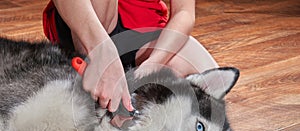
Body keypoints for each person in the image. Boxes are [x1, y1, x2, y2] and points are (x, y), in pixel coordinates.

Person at [43, 0, 218, 114]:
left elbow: (184, 13)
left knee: (210, 81)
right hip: (88, 20)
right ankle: (91, 77)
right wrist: (103, 51)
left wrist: (154, 63)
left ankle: (129, 90)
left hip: (141, 26)